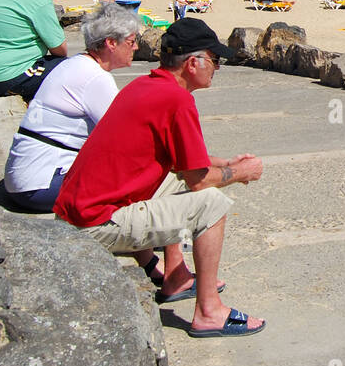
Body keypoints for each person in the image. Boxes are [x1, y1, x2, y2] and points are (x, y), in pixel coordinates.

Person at [54, 18, 266, 337]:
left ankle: (176, 277)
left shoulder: (147, 85)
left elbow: (182, 163)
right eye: (215, 60)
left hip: (77, 211)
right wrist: (239, 172)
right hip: (95, 222)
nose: (218, 68)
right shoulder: (177, 100)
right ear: (194, 62)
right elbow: (198, 180)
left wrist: (225, 163)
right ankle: (209, 311)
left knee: (176, 180)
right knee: (213, 205)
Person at [3, 3, 139, 212]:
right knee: (140, 180)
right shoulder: (95, 77)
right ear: (111, 43)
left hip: (26, 178)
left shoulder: (75, 64)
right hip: (42, 184)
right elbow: (126, 136)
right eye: (131, 41)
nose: (136, 47)